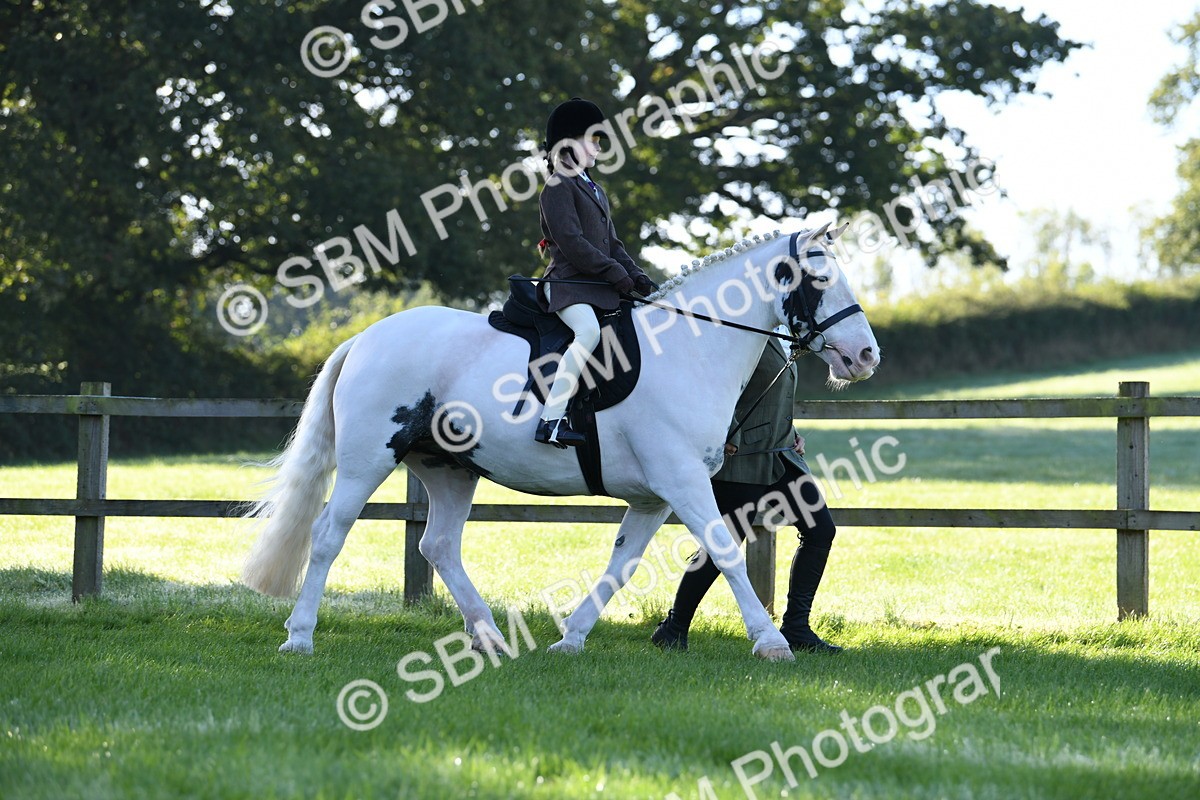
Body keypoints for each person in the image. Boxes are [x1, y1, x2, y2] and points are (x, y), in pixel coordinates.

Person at [652, 336, 842, 653]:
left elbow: (772, 394)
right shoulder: (738, 336)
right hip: (742, 458)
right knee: (722, 546)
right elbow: (711, 386)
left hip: (782, 454)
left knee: (820, 530)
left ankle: (796, 627)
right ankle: (673, 628)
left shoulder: (778, 334)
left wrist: (792, 432)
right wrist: (727, 430)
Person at [535, 97, 656, 448]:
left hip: (595, 285)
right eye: (594, 140)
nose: (599, 148)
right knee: (587, 332)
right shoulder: (557, 186)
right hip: (568, 285)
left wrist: (636, 275)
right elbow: (572, 243)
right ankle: (550, 421)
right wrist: (614, 273)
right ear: (570, 142)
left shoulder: (595, 189)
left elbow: (612, 243)